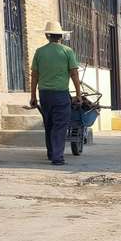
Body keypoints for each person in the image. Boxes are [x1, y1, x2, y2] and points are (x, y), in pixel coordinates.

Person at [30, 21, 82, 166]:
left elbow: (34, 75)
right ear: (61, 36)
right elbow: (74, 74)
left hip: (44, 95)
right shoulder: (67, 51)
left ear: (47, 36)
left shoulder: (39, 52)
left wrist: (33, 96)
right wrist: (78, 94)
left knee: (49, 124)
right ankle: (57, 157)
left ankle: (51, 152)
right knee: (60, 125)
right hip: (60, 95)